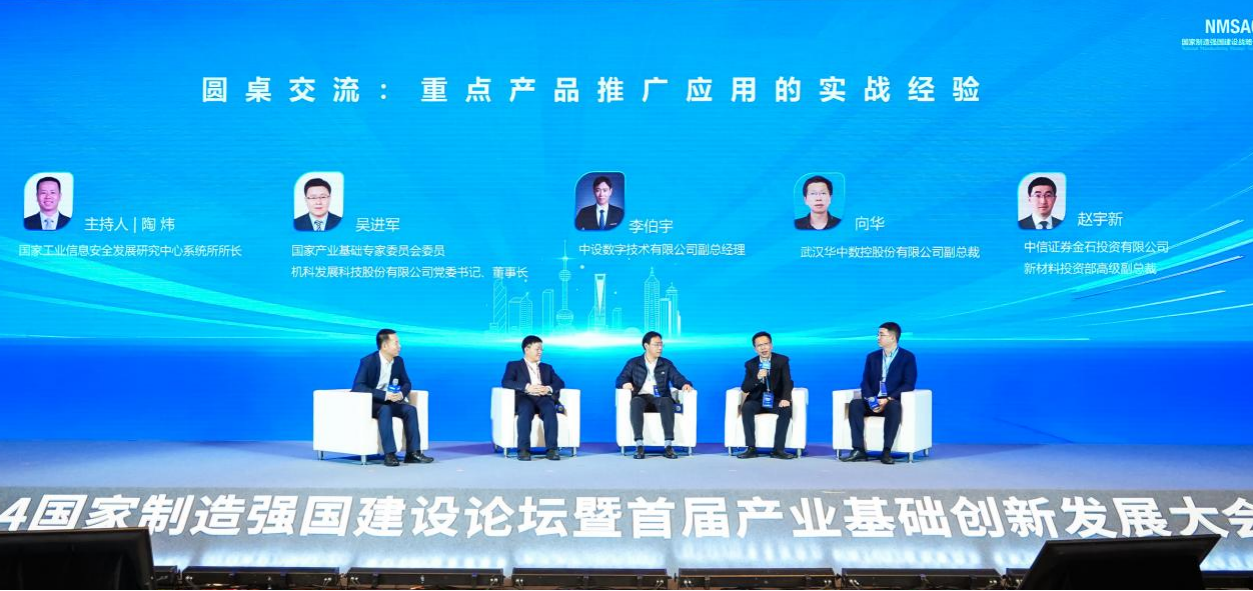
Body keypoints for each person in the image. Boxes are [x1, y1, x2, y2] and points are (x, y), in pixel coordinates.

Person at [351, 329, 434, 466]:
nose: (399, 346)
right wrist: (384, 395)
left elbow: (407, 383)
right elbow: (358, 386)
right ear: (384, 346)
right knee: (385, 409)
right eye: (396, 343)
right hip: (371, 403)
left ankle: (413, 453)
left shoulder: (398, 361)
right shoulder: (368, 361)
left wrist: (400, 394)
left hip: (391, 401)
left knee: (410, 410)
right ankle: (389, 454)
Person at [841, 322, 918, 465]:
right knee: (855, 404)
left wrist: (888, 398)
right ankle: (858, 450)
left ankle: (886, 452)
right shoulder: (872, 357)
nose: (878, 338)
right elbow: (865, 382)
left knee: (893, 406)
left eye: (881, 335)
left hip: (891, 401)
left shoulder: (907, 357)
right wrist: (871, 399)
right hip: (873, 400)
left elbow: (909, 383)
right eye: (878, 334)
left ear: (893, 337)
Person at [615, 331, 694, 459]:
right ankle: (639, 445)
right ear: (646, 346)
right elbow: (620, 379)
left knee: (667, 401)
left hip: (660, 398)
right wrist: (625, 383)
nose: (660, 348)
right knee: (635, 402)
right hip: (641, 397)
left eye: (661, 345)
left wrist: (685, 384)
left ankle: (668, 446)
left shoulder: (666, 363)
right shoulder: (634, 363)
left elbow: (677, 378)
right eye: (656, 345)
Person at [501, 335, 567, 461]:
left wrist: (548, 388)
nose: (540, 352)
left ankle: (552, 450)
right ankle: (524, 450)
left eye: (541, 349)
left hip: (543, 397)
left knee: (550, 409)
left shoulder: (547, 367)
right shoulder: (514, 365)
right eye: (537, 349)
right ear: (527, 349)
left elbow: (560, 383)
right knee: (525, 409)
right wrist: (527, 387)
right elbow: (506, 382)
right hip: (524, 397)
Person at [737, 331, 796, 459]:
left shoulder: (782, 360)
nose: (763, 348)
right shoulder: (750, 364)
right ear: (755, 349)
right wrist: (757, 378)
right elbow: (745, 387)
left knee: (786, 410)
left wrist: (786, 398)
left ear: (771, 345)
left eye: (766, 344)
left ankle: (778, 449)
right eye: (759, 345)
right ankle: (751, 448)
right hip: (757, 400)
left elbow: (788, 381)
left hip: (776, 400)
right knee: (747, 407)